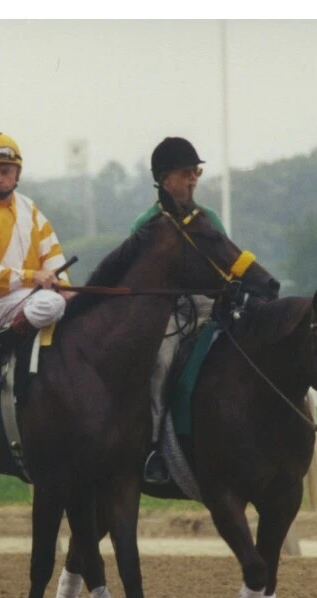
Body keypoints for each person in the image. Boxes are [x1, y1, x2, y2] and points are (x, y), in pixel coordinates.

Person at [133, 137, 228, 484]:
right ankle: (154, 448)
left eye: (196, 172)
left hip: (211, 308)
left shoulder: (210, 219)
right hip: (169, 314)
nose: (193, 179)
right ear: (163, 178)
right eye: (186, 172)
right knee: (159, 363)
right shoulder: (146, 224)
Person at [0, 132, 72, 383]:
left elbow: (51, 253)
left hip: (27, 296)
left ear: (17, 174)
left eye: (5, 172)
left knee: (74, 303)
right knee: (52, 304)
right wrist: (34, 277)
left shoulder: (29, 208)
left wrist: (67, 287)